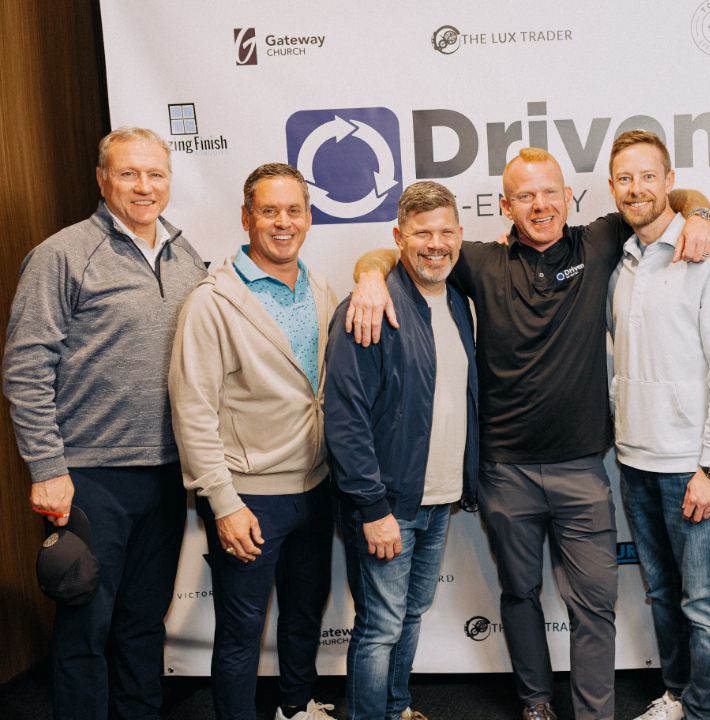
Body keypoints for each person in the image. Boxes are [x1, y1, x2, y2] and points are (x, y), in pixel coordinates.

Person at [348, 147, 710, 720]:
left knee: (595, 605)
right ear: (505, 205)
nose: (540, 205)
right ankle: (536, 703)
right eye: (525, 195)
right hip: (505, 472)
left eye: (550, 192)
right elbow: (401, 248)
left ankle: (594, 714)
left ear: (570, 197)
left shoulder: (599, 243)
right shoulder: (477, 261)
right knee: (519, 595)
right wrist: (368, 274)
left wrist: (701, 216)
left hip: (581, 470)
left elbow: (673, 200)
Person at [2, 127, 206, 720]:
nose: (144, 187)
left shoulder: (186, 254)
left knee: (144, 624)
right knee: (86, 627)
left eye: (155, 174)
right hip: (89, 477)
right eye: (128, 174)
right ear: (102, 179)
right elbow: (25, 368)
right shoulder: (62, 255)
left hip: (168, 472)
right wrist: (47, 468)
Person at [169, 163, 336, 720]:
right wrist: (223, 502)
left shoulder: (322, 291)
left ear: (309, 218)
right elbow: (193, 411)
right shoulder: (212, 303)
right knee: (241, 635)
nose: (282, 223)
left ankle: (295, 707)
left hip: (315, 489)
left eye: (294, 211)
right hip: (248, 498)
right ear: (246, 218)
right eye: (269, 211)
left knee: (303, 618)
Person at [606, 131, 710, 720]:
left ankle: (705, 713)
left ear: (670, 181)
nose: (636, 189)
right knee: (662, 594)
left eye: (647, 176)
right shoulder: (623, 258)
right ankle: (675, 694)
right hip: (634, 461)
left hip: (690, 467)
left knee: (701, 602)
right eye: (623, 179)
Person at [324, 181, 479, 720]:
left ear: (459, 237)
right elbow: (345, 420)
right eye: (421, 233)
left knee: (411, 615)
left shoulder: (458, 301)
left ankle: (396, 707)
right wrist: (372, 509)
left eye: (444, 232)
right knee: (380, 625)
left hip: (438, 499)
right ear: (398, 237)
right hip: (387, 504)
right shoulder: (370, 306)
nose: (434, 244)